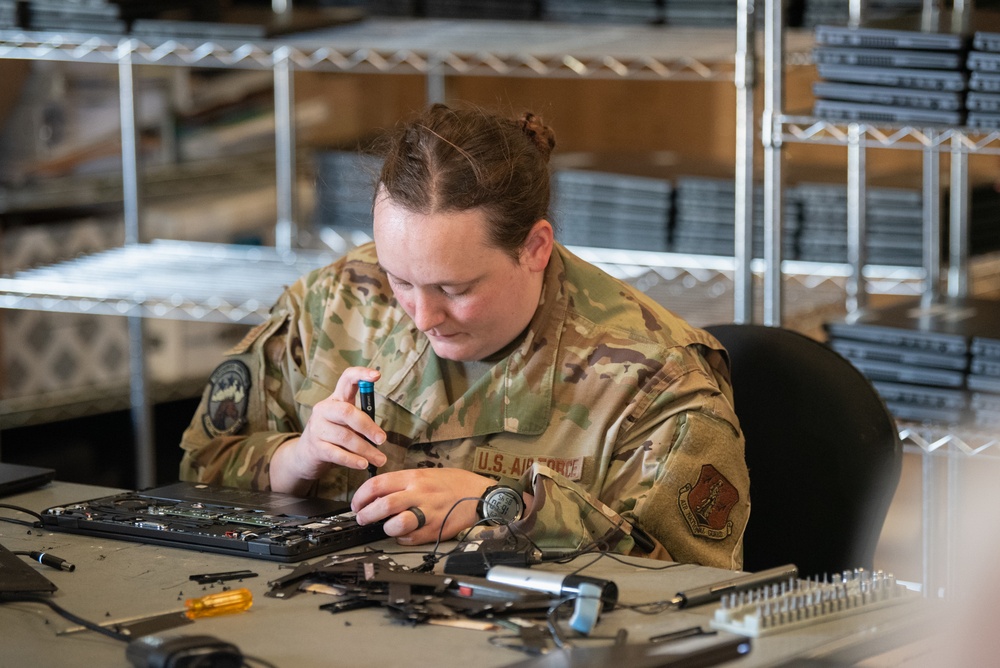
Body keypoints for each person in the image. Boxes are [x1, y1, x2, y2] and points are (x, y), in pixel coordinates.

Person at [178, 103, 750, 569]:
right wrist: (294, 460)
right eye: (399, 278)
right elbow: (201, 467)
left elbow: (688, 585)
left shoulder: (654, 379)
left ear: (535, 248)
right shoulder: (337, 301)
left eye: (454, 289)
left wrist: (500, 506)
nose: (422, 315)